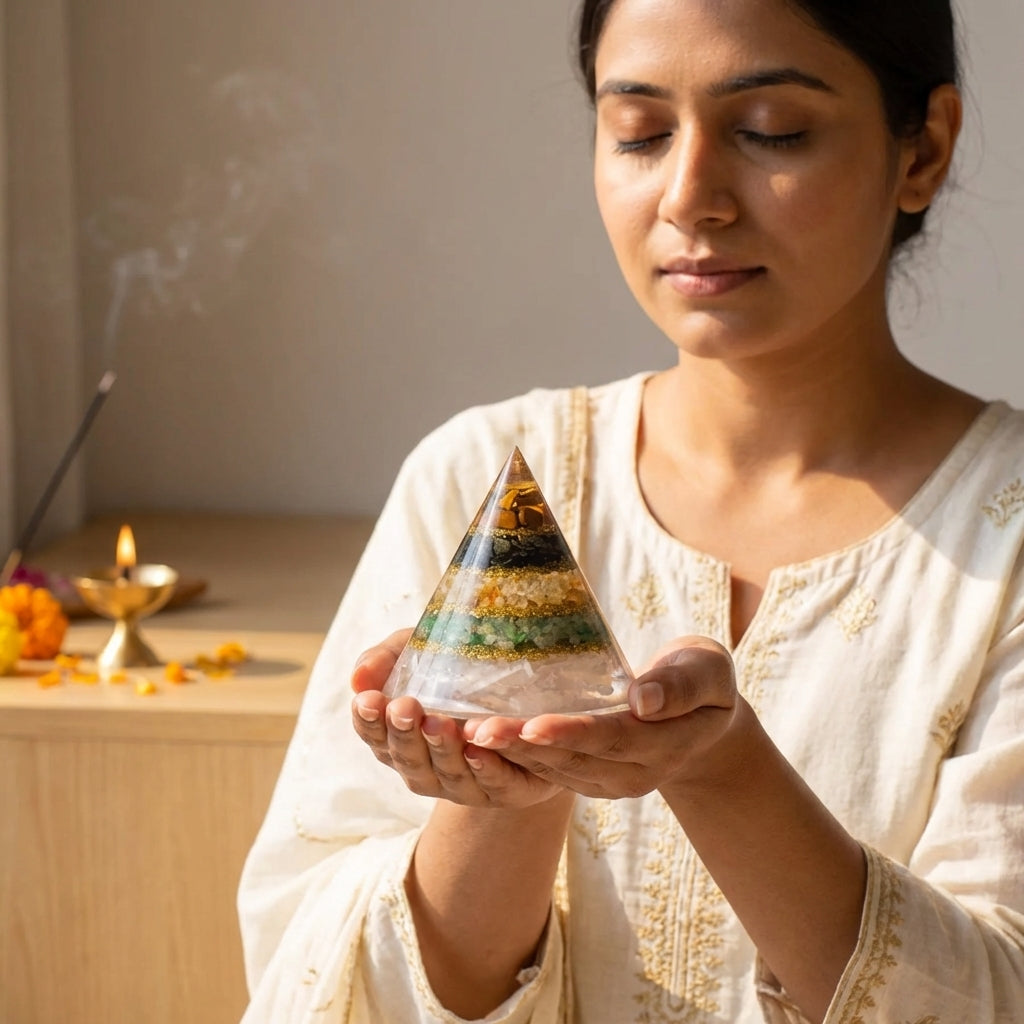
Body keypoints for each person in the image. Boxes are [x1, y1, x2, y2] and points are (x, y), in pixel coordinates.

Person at [237, 1, 1024, 1021]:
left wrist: (723, 771)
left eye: (772, 130)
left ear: (922, 150)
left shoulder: (1006, 532)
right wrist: (507, 791)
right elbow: (319, 973)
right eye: (640, 133)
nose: (689, 196)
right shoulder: (481, 478)